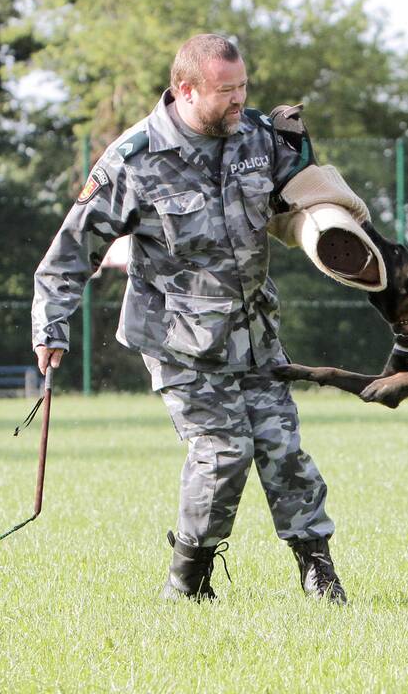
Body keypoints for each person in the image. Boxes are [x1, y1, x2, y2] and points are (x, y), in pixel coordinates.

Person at [31, 33, 374, 604]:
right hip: (177, 340)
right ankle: (187, 584)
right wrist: (51, 327)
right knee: (223, 453)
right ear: (185, 89)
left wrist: (337, 217)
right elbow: (68, 255)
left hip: (256, 333)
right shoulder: (134, 159)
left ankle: (319, 573)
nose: (239, 100)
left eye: (244, 87)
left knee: (282, 450)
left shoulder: (261, 138)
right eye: (226, 91)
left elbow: (310, 193)